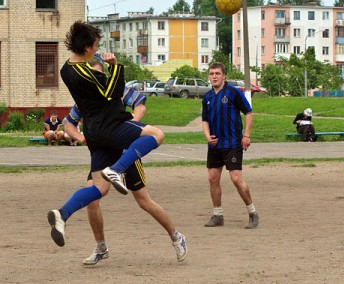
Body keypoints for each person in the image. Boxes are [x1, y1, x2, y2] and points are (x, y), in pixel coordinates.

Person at [47, 21, 187, 262]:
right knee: (157, 135)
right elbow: (108, 93)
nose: (99, 56)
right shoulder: (95, 78)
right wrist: (115, 67)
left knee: (134, 199)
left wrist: (132, 124)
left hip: (109, 137)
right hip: (113, 133)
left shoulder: (66, 69)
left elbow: (139, 104)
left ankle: (63, 213)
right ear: (90, 48)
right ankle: (102, 242)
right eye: (97, 47)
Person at [64, 81, 187, 264]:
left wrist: (130, 128)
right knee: (92, 199)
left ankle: (176, 237)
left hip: (126, 153)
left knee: (144, 201)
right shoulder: (86, 97)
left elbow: (140, 105)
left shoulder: (117, 89)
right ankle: (101, 247)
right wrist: (81, 137)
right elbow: (68, 124)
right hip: (104, 154)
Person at [201, 62, 259, 229]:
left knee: (235, 179)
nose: (214, 76)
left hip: (232, 143)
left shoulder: (233, 93)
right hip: (214, 146)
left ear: (224, 76)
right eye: (211, 73)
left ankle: (252, 212)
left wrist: (246, 135)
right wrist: (207, 137)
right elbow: (204, 120)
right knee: (213, 179)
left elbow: (248, 113)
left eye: (217, 73)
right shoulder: (207, 97)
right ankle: (218, 215)